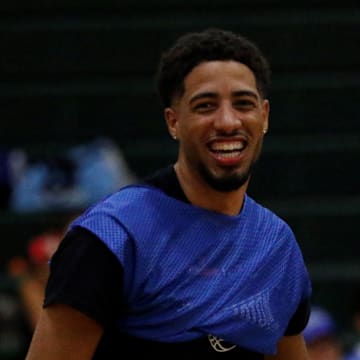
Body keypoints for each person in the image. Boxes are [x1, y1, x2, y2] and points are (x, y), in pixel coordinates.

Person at [25, 28, 312, 359]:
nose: (228, 121)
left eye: (243, 104)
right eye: (205, 106)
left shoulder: (276, 246)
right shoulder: (112, 236)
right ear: (173, 122)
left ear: (264, 116)